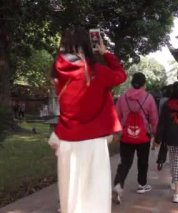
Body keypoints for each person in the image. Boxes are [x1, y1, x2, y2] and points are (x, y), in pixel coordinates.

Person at [47, 26, 127, 213]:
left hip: (67, 140)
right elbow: (121, 75)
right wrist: (106, 53)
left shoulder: (57, 73)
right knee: (95, 195)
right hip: (94, 142)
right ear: (88, 45)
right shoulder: (98, 72)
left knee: (71, 194)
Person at [112, 72, 159, 204]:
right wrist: (156, 136)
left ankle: (118, 184)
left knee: (125, 162)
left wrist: (117, 132)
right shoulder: (148, 98)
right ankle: (142, 185)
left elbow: (117, 115)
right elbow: (154, 119)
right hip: (143, 136)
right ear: (144, 84)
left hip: (126, 135)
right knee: (143, 161)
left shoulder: (123, 97)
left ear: (132, 83)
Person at [156, 84, 173, 170]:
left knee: (164, 145)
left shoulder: (162, 100)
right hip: (172, 125)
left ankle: (160, 161)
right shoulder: (172, 101)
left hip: (162, 124)